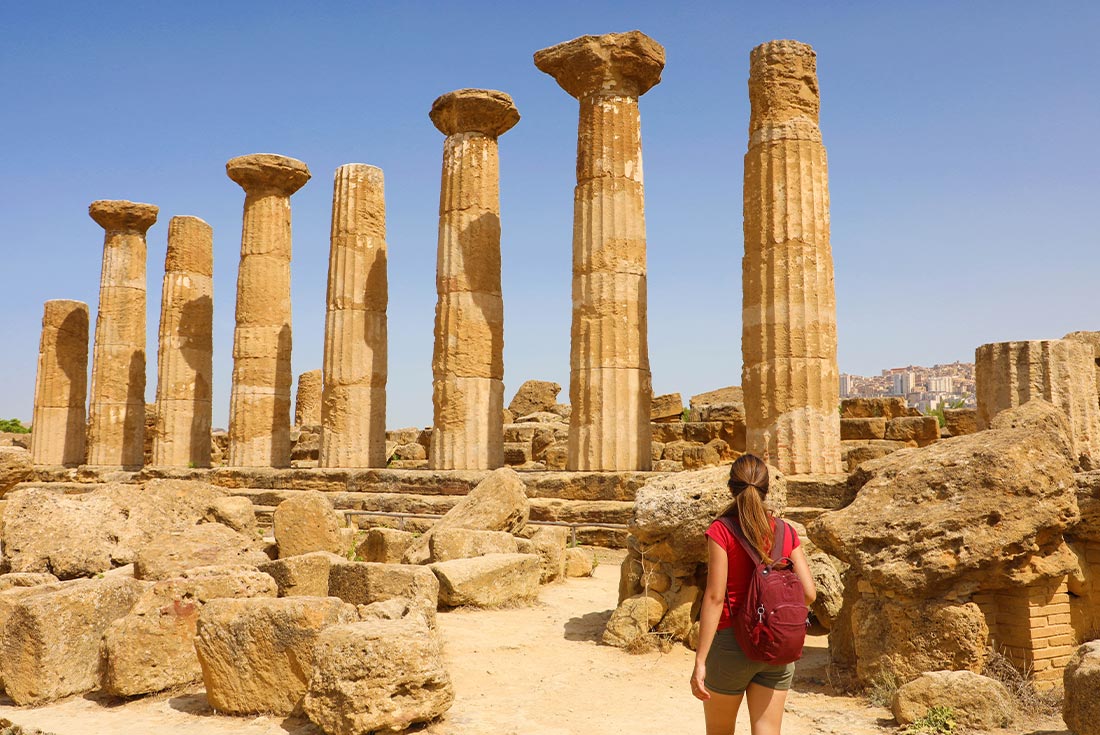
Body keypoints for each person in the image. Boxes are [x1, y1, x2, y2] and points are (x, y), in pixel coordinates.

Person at [689, 454, 816, 735]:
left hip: (730, 643)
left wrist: (700, 661)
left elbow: (715, 598)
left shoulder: (721, 530)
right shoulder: (786, 531)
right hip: (776, 644)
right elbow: (808, 593)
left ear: (730, 488)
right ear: (766, 489)